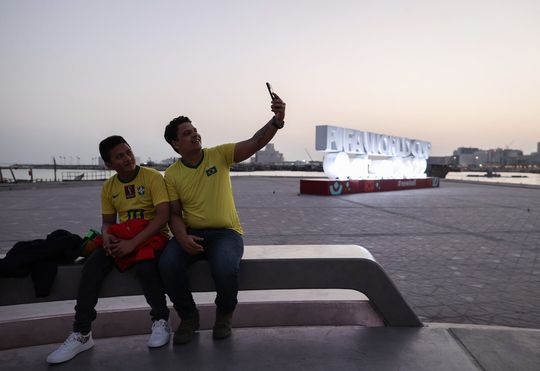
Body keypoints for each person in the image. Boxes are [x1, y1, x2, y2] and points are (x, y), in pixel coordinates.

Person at [160, 91, 286, 344]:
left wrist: (276, 121)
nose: (195, 134)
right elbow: (174, 213)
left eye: (195, 130)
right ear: (175, 144)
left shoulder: (219, 154)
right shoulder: (171, 174)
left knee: (225, 268)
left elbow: (255, 141)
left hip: (226, 233)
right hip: (193, 232)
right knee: (167, 265)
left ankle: (224, 316)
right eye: (187, 133)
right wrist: (182, 237)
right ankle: (188, 317)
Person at [47, 136, 172, 364]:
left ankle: (161, 321)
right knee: (92, 265)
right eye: (119, 156)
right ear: (108, 164)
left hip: (151, 237)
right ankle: (82, 333)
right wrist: (106, 237)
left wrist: (133, 244)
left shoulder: (152, 177)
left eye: (128, 152)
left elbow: (163, 216)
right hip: (122, 236)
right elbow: (107, 222)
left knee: (145, 266)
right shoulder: (109, 187)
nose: (127, 158)